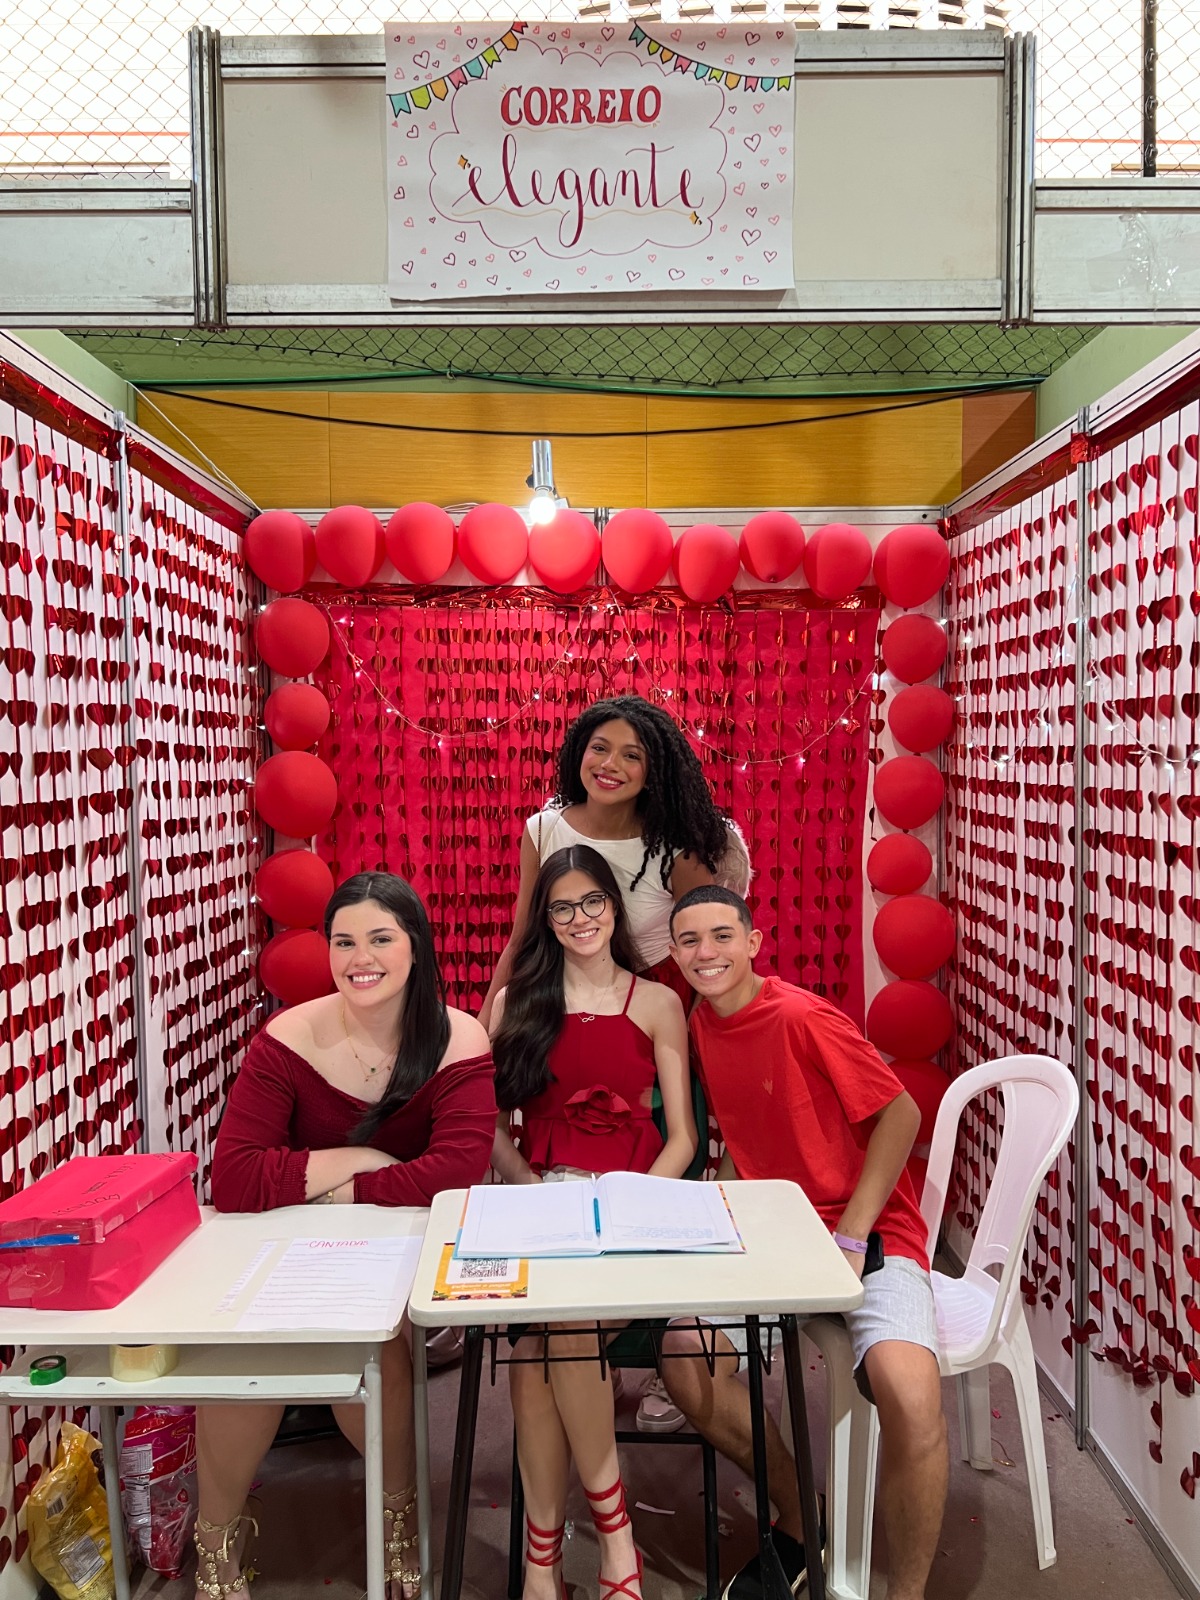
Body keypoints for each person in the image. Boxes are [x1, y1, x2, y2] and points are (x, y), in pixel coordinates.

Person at [199, 872, 496, 1600]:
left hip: (401, 1246)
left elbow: (455, 1174)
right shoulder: (289, 1036)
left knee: (377, 1349)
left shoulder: (458, 1036)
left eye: (380, 939)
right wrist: (361, 1161)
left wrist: (333, 1185)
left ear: (416, 946)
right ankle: (216, 1545)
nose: (360, 958)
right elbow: (232, 1178)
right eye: (343, 942)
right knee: (241, 1354)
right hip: (292, 1241)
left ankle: (397, 1520)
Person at [661, 886, 948, 1600]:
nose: (706, 952)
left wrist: (850, 1233)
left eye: (722, 935)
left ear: (753, 943)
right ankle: (798, 1513)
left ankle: (906, 1594)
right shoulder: (700, 1022)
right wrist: (717, 1220)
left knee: (912, 1400)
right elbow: (747, 1136)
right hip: (776, 1234)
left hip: (870, 1232)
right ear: (674, 953)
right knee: (685, 1359)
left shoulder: (801, 1016)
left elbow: (902, 1116)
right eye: (690, 940)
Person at [481, 692, 746, 1434]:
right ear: (578, 752)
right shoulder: (545, 827)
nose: (612, 765)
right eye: (601, 747)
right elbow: (525, 932)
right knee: (564, 1145)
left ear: (655, 768)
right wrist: (491, 1013)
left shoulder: (677, 841)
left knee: (665, 1159)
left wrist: (720, 1037)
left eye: (633, 754)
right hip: (563, 1002)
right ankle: (586, 1336)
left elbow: (701, 942)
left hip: (656, 1007)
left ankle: (669, 1347)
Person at [490, 845, 697, 1600]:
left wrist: (630, 1208)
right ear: (545, 920)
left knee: (553, 1336)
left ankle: (566, 1557)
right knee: (546, 1341)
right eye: (561, 907)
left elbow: (682, 1139)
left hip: (634, 1207)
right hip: (542, 1208)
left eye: (592, 902)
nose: (580, 918)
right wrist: (533, 1191)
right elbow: (492, 1130)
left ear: (614, 906)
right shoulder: (516, 1002)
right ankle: (588, 1552)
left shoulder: (659, 1002)